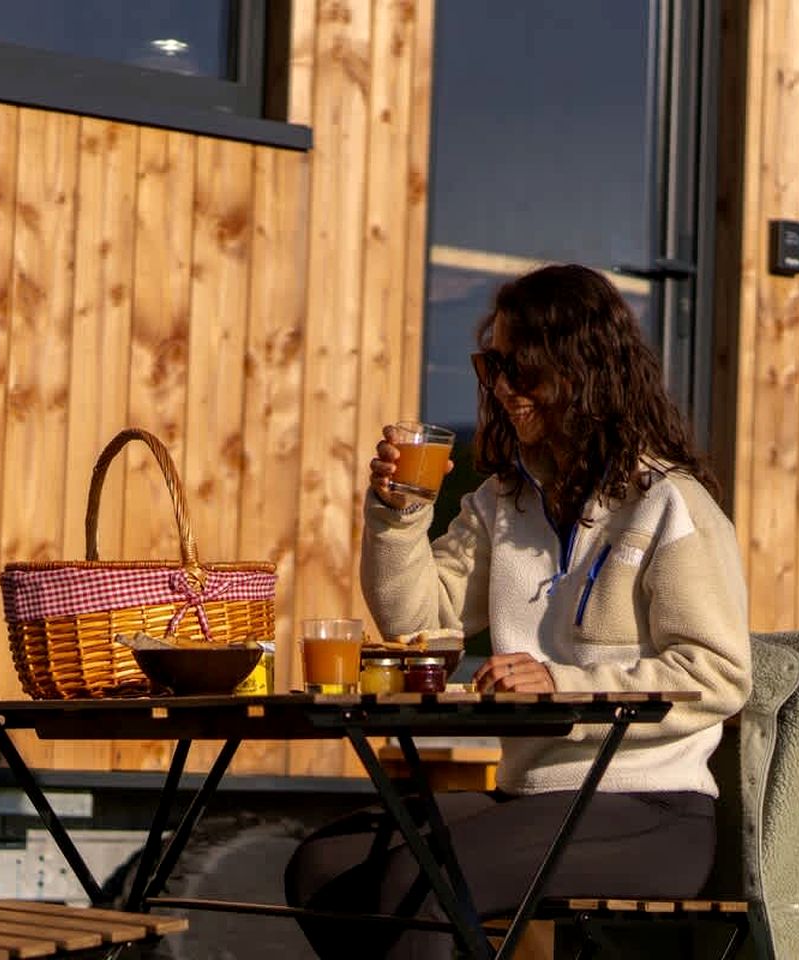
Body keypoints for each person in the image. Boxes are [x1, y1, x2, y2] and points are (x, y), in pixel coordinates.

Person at [284, 263, 752, 958]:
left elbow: (719, 674)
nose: (502, 388)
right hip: (530, 798)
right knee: (323, 868)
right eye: (492, 365)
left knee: (420, 881)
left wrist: (559, 683)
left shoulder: (669, 505)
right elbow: (419, 625)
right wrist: (398, 514)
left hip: (650, 808)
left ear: (583, 373)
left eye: (521, 368)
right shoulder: (503, 503)